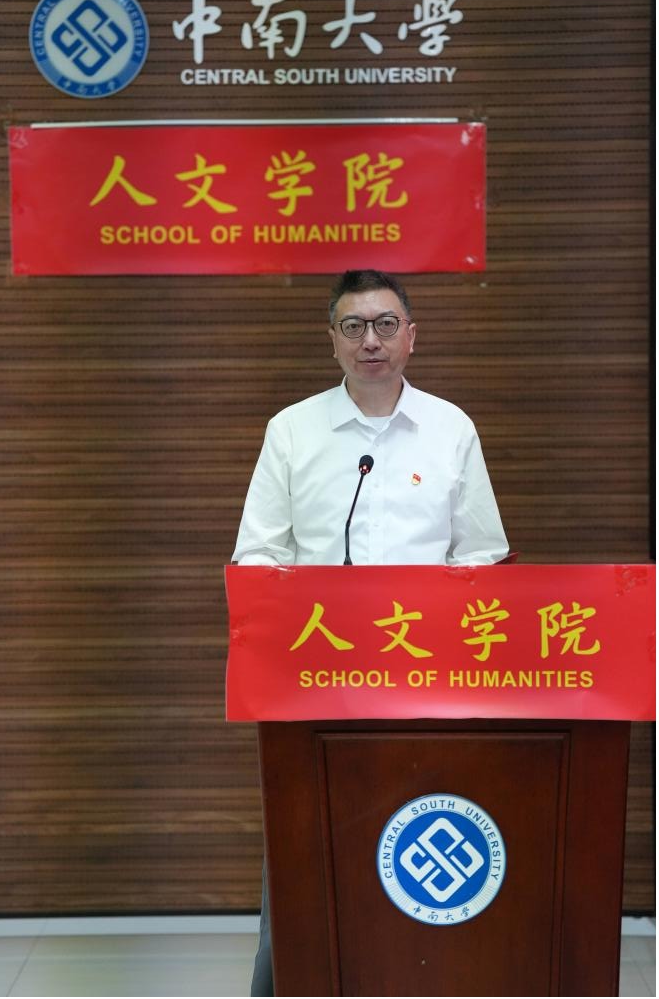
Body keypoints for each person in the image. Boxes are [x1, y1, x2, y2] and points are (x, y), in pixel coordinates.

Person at [232, 269, 509, 995]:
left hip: (428, 676)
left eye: (386, 324)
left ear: (411, 336)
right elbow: (257, 555)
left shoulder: (450, 428)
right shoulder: (292, 430)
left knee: (415, 827)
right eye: (353, 327)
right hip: (316, 675)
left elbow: (481, 556)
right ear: (331, 340)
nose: (371, 341)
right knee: (303, 840)